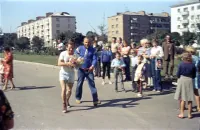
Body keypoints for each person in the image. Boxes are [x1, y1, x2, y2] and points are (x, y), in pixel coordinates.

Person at [75, 37, 101, 106]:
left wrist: (92, 66)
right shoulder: (80, 48)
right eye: (86, 42)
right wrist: (78, 58)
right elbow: (75, 53)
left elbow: (95, 59)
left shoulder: (93, 50)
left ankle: (95, 100)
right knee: (79, 84)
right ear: (83, 42)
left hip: (89, 70)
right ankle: (78, 98)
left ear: (91, 43)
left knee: (92, 84)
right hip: (81, 70)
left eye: (89, 42)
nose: (87, 43)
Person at [174, 52, 196, 119]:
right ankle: (189, 114)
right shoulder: (193, 65)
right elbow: (194, 75)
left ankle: (182, 113)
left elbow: (178, 73)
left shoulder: (181, 64)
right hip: (189, 80)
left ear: (183, 57)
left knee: (183, 98)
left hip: (182, 79)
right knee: (190, 99)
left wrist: (178, 78)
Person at [58, 40, 76, 113]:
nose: (71, 49)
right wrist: (68, 63)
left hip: (71, 74)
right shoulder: (63, 53)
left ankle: (67, 100)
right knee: (64, 89)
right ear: (66, 47)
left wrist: (78, 63)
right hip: (63, 73)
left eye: (72, 48)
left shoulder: (75, 55)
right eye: (69, 48)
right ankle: (64, 104)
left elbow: (77, 64)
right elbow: (59, 63)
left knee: (69, 90)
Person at [185, 47, 200, 112]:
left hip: (189, 75)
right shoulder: (198, 58)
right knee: (196, 92)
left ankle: (189, 108)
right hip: (196, 75)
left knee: (189, 92)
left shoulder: (188, 58)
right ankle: (198, 107)